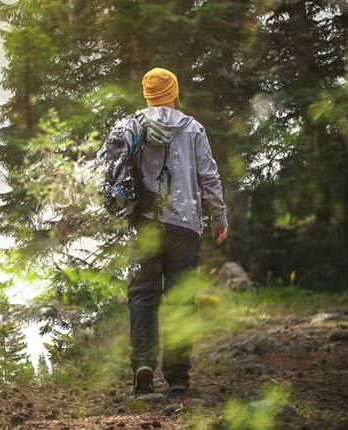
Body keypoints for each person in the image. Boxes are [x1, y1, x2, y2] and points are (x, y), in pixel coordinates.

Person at [98, 67, 228, 396]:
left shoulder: (131, 125)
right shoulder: (193, 128)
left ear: (147, 93)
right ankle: (179, 377)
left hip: (144, 224)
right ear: (173, 92)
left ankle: (143, 365)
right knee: (182, 299)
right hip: (184, 225)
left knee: (142, 296)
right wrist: (218, 216)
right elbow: (208, 174)